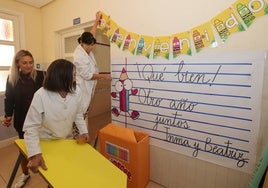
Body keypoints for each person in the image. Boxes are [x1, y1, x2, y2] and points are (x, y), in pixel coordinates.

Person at [22, 59, 89, 174]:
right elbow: (31, 127)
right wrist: (35, 153)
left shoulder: (76, 91)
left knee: (66, 171)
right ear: (61, 77)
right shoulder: (41, 95)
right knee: (52, 172)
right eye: (73, 75)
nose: (75, 79)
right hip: (47, 141)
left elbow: (78, 113)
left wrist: (83, 131)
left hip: (66, 139)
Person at [0, 50, 45, 188]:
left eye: (31, 62)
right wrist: (8, 116)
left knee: (45, 146)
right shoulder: (12, 78)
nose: (29, 65)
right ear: (18, 63)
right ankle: (25, 174)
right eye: (24, 63)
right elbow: (9, 100)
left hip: (41, 119)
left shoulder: (41, 75)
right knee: (25, 150)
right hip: (22, 120)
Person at [73, 11, 112, 119]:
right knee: (80, 113)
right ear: (82, 43)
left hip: (88, 89)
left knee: (84, 112)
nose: (91, 48)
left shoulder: (86, 47)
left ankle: (82, 132)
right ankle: (79, 134)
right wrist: (104, 76)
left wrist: (96, 20)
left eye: (92, 45)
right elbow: (88, 76)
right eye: (89, 45)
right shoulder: (79, 56)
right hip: (82, 89)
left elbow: (92, 33)